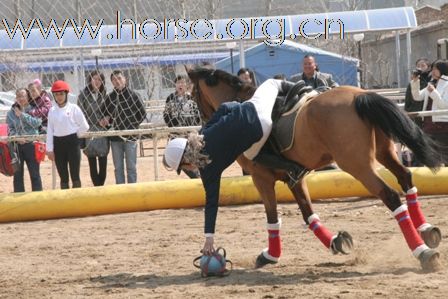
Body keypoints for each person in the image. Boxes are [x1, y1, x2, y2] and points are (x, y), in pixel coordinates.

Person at [163, 79, 306, 255]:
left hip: (259, 132)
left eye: (183, 167)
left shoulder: (208, 171)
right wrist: (240, 108)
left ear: (186, 160)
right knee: (271, 83)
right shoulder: (205, 131)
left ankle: (292, 168)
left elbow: (211, 204)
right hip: (256, 109)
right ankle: (305, 90)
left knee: (253, 156)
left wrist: (209, 238)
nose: (188, 169)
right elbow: (226, 107)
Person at [99, 70, 146, 184]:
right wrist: (106, 121)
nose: (117, 81)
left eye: (119, 78)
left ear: (125, 79)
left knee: (131, 167)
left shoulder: (134, 95)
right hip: (115, 139)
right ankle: (121, 191)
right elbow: (102, 114)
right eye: (114, 79)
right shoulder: (110, 98)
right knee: (118, 168)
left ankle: (132, 191)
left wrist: (132, 125)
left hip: (131, 137)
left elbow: (142, 113)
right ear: (112, 82)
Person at [46, 80, 89, 189]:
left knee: (75, 175)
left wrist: (75, 135)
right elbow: (50, 131)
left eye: (61, 94)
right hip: (58, 145)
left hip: (72, 144)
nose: (59, 97)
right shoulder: (52, 111)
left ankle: (77, 202)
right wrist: (49, 149)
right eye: (56, 94)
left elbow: (85, 126)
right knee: (63, 177)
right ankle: (65, 203)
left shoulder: (74, 108)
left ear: (66, 94)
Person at [163, 75, 202, 179]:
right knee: (181, 158)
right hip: (176, 134)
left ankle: (199, 176)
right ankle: (195, 177)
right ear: (175, 85)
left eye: (183, 82)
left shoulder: (192, 97)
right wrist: (175, 126)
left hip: (190, 134)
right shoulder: (170, 98)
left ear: (187, 85)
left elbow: (198, 115)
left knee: (194, 156)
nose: (180, 85)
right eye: (178, 82)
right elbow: (166, 116)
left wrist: (191, 127)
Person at [411, 59, 448, 164]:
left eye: (436, 69)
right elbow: (417, 97)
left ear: (443, 69)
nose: (433, 71)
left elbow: (444, 105)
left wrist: (433, 92)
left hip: (443, 126)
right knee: (427, 156)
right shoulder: (431, 83)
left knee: (445, 157)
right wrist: (415, 82)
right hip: (428, 125)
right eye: (432, 69)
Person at [6, 88, 43, 192]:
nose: (21, 98)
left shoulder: (34, 109)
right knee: (17, 175)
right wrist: (17, 137)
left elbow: (37, 123)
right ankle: (18, 200)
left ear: (28, 97)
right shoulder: (11, 113)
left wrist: (22, 115)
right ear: (15, 98)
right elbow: (10, 129)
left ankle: (38, 198)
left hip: (32, 144)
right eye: (18, 96)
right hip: (16, 147)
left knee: (35, 174)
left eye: (23, 95)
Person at [78, 70, 109, 186]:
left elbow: (110, 110)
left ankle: (101, 186)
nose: (97, 81)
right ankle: (97, 186)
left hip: (102, 130)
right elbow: (80, 113)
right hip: (89, 130)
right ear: (90, 80)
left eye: (99, 79)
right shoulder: (83, 95)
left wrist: (107, 118)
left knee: (103, 159)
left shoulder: (105, 94)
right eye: (94, 79)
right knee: (91, 160)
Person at [405, 57, 432, 129]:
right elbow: (408, 98)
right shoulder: (413, 81)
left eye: (423, 66)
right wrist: (408, 111)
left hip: (428, 113)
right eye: (418, 66)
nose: (420, 68)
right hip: (415, 112)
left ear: (429, 67)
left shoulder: (432, 80)